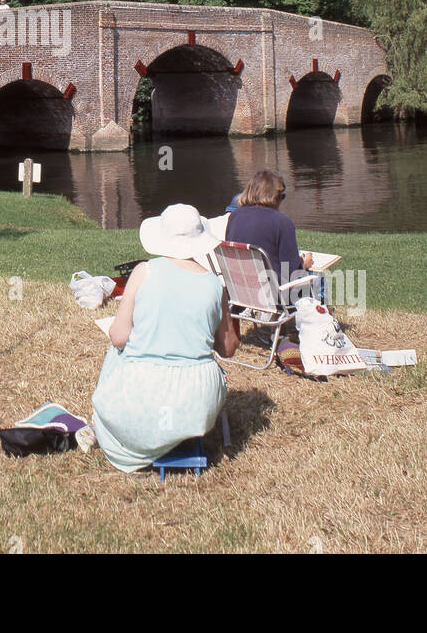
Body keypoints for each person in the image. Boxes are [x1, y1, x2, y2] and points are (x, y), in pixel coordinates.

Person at [85, 204, 239, 472]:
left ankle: (136, 436)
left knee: (116, 351)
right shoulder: (215, 284)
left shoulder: (145, 272)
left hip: (145, 393)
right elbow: (227, 348)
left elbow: (119, 337)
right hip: (196, 402)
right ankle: (177, 436)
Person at [223, 170, 312, 306]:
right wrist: (304, 265)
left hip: (239, 291)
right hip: (273, 295)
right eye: (281, 197)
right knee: (319, 279)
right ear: (274, 197)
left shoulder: (234, 217)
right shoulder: (282, 222)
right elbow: (291, 271)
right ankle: (321, 320)